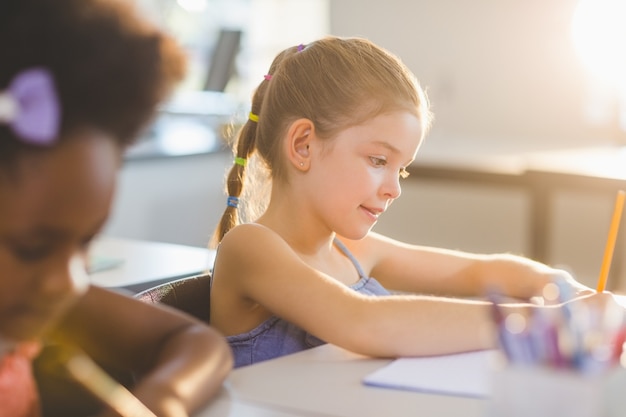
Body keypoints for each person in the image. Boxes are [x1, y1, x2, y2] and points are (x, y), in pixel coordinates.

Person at [209, 36, 620, 368]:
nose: (395, 188)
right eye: (378, 160)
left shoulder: (353, 251)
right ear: (302, 145)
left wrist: (566, 291)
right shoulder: (250, 248)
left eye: (401, 169)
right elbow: (366, 323)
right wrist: (551, 323)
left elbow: (479, 271)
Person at [0, 0, 232, 416]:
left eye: (85, 242)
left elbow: (197, 343)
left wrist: (162, 401)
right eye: (31, 247)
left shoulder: (36, 298)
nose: (67, 281)